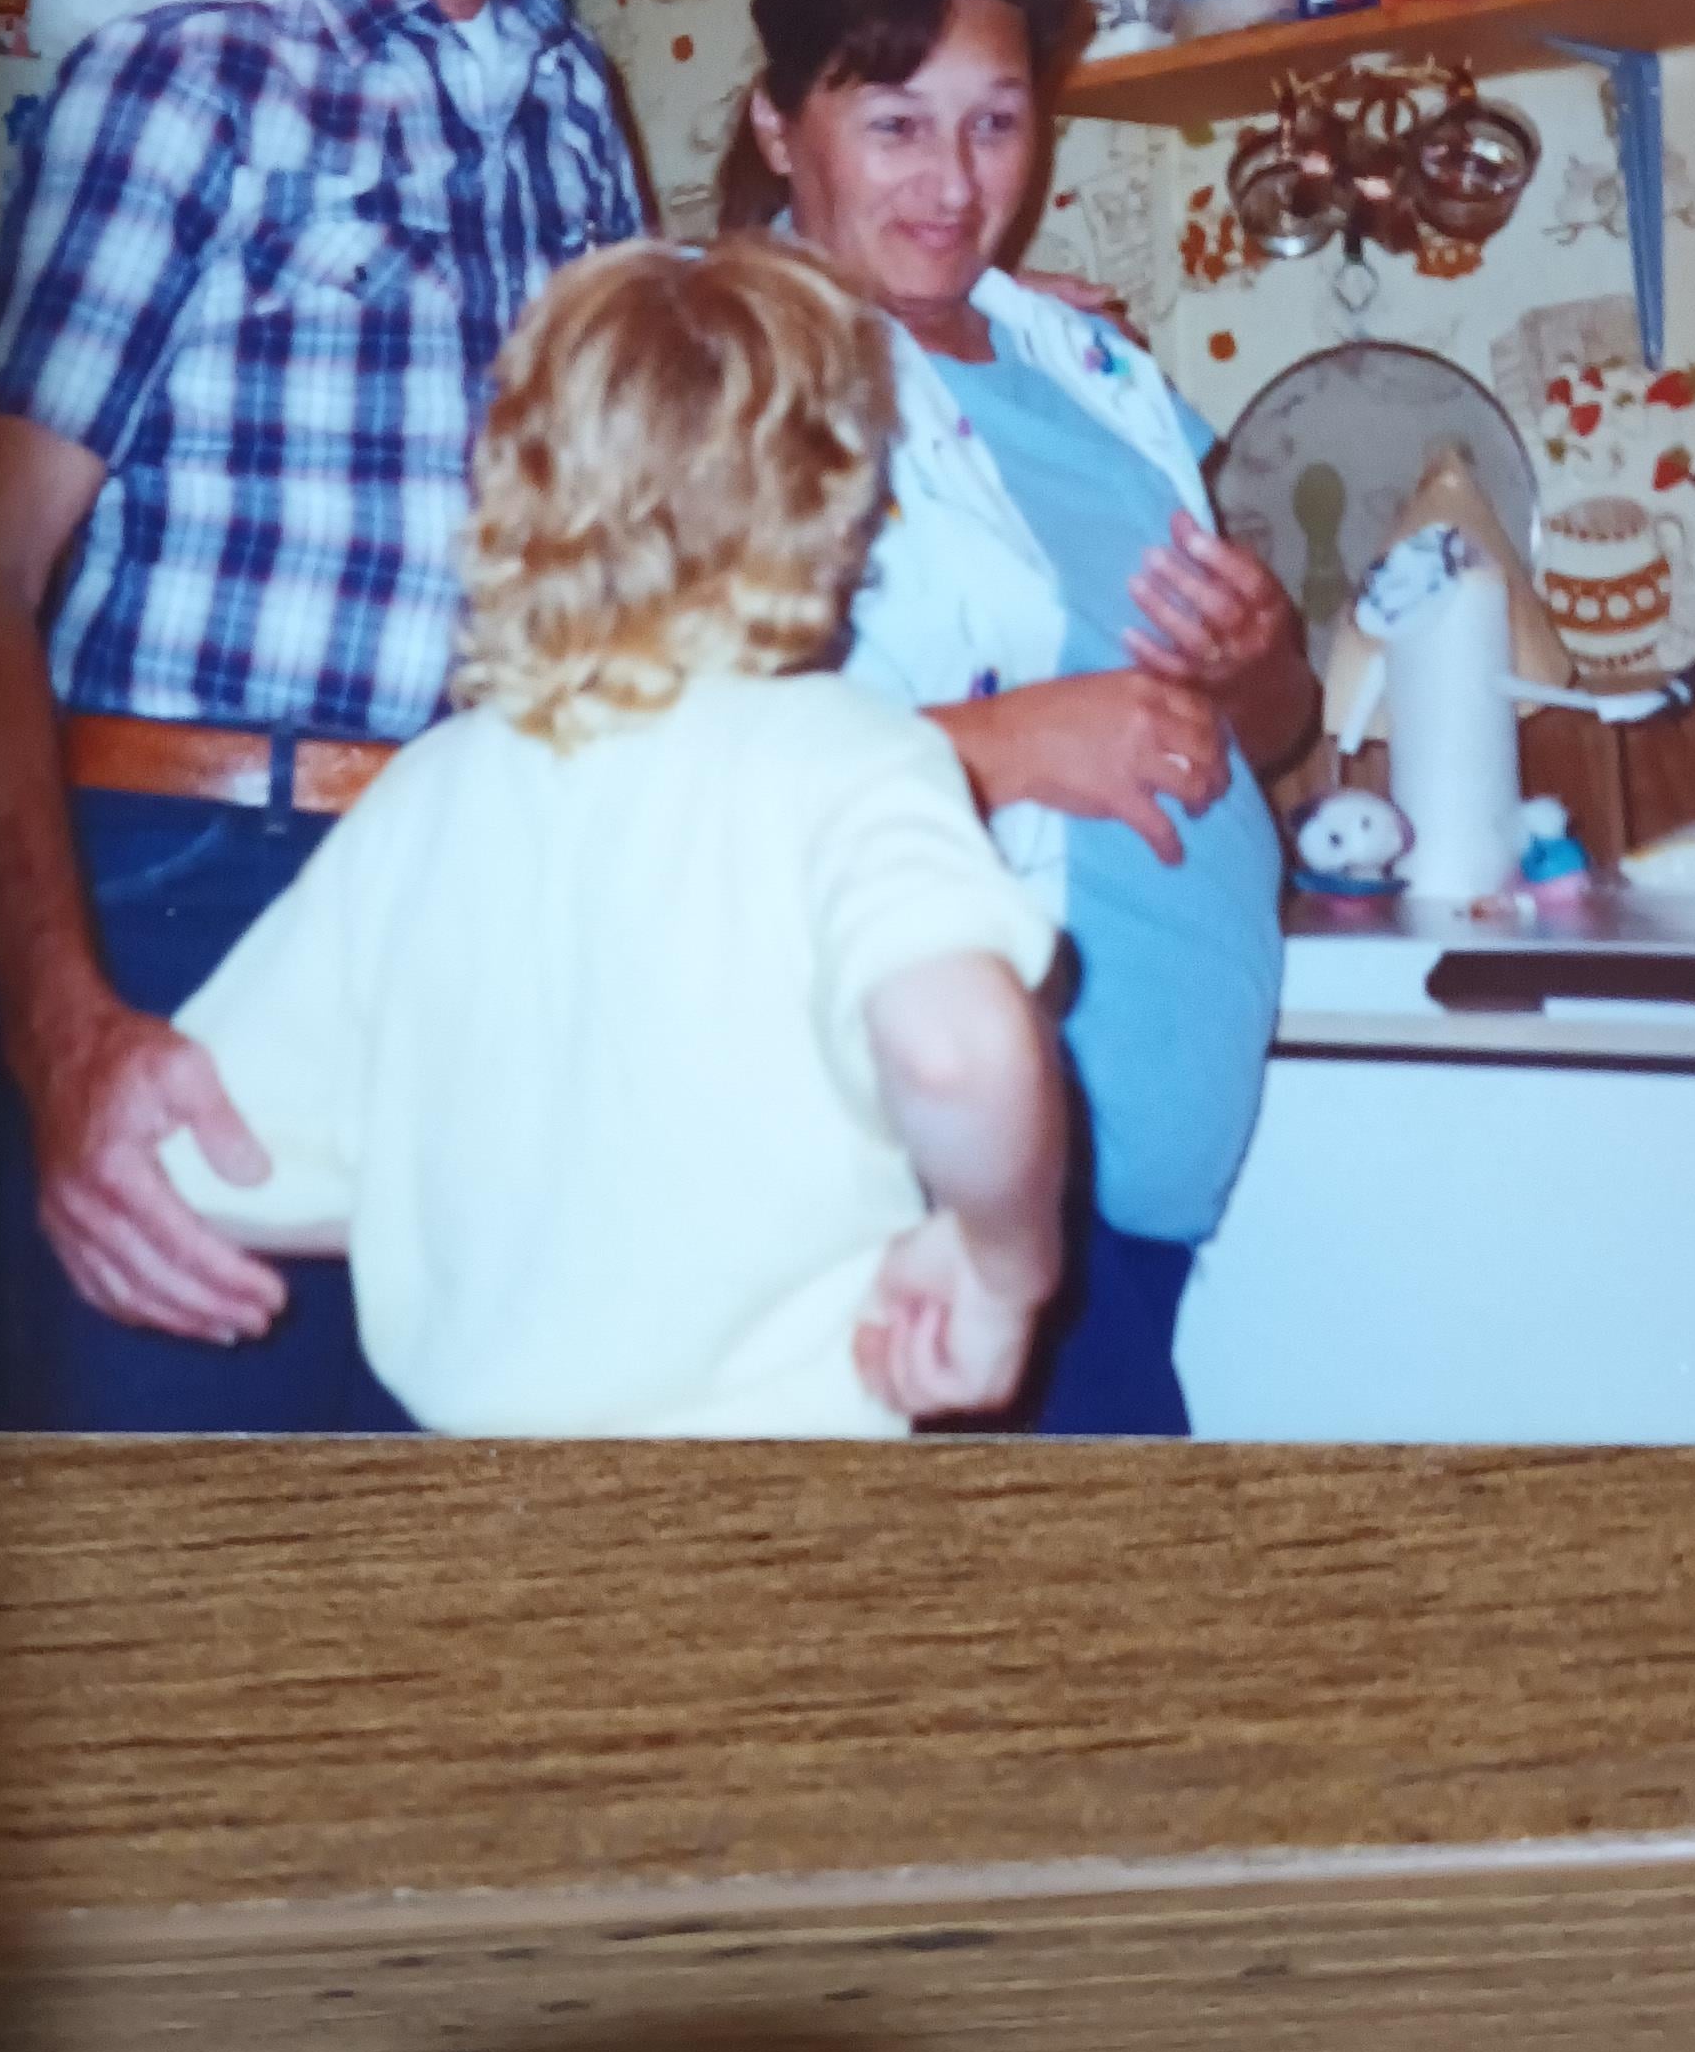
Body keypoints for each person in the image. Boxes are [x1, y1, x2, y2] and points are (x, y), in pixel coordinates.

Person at [0, 0, 648, 1431]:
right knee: (170, 1587)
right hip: (194, 900)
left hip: (498, 910)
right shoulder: (185, 78)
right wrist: (64, 1031)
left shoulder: (578, 109)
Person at [154, 236, 1067, 1439]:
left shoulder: (428, 791)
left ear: (515, 476)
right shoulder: (853, 757)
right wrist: (1005, 1266)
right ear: (837, 495)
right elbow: (955, 1051)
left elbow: (200, 1156)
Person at [730, 0, 1316, 1437]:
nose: (952, 180)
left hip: (1129, 1194)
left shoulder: (1089, 367)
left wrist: (1257, 657)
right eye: (894, 123)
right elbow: (659, 783)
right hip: (921, 1179)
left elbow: (1267, 730)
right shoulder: (725, 383)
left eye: (995, 121)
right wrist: (1010, 745)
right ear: (780, 126)